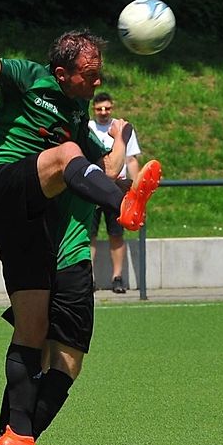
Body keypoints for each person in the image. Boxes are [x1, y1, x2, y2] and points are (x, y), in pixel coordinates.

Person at [0, 3, 162, 445]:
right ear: (61, 72)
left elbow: (99, 162)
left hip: (26, 223)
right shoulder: (30, 77)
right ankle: (122, 209)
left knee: (33, 329)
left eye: (100, 75)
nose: (97, 85)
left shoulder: (78, 114)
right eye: (89, 76)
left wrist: (120, 142)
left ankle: (18, 439)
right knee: (64, 157)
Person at [0, 184, 101, 445]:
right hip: (70, 261)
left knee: (37, 353)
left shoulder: (47, 147)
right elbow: (109, 168)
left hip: (43, 264)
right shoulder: (79, 144)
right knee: (67, 362)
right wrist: (121, 134)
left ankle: (7, 443)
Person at [88, 92, 142, 294]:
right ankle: (89, 278)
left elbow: (131, 160)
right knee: (88, 235)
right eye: (99, 108)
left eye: (107, 108)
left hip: (115, 189)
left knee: (116, 234)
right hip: (92, 188)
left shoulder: (121, 129)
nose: (103, 112)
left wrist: (136, 191)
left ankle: (117, 277)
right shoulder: (88, 128)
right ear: (94, 109)